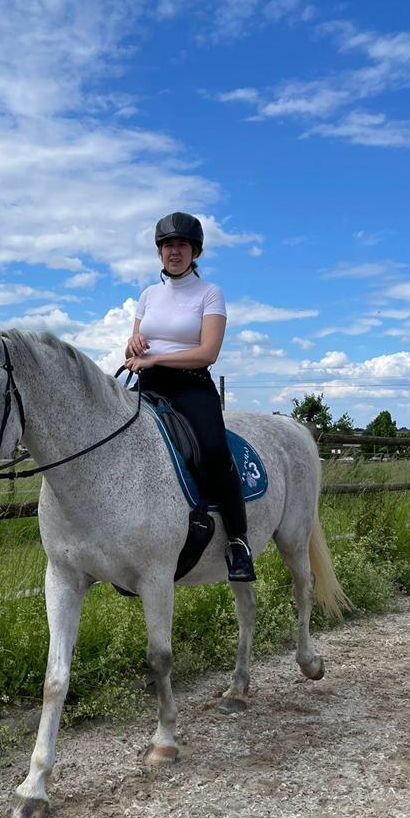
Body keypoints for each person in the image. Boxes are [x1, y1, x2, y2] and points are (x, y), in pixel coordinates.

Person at [125, 211, 255, 582]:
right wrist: (132, 346)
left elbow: (208, 352)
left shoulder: (210, 294)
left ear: (194, 251)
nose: (174, 251)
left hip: (192, 385)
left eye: (181, 245)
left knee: (214, 451)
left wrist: (157, 358)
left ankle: (238, 542)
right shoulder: (148, 295)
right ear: (159, 252)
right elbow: (134, 350)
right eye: (167, 245)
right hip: (148, 383)